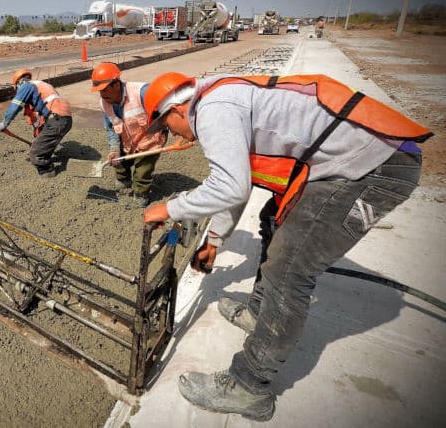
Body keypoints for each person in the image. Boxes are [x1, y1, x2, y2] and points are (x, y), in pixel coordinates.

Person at [141, 72, 431, 421]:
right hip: (347, 163)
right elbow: (239, 183)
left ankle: (250, 386)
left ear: (175, 109)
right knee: (274, 218)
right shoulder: (221, 100)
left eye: (167, 125)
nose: (172, 134)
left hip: (375, 166)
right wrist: (214, 241)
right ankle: (258, 311)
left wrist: (170, 208)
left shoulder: (214, 108)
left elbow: (230, 187)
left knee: (288, 270)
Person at [91, 62, 167, 208]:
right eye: (99, 91)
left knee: (143, 169)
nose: (102, 94)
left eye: (104, 90)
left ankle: (140, 192)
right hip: (127, 138)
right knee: (118, 159)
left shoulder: (141, 92)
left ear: (116, 84)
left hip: (150, 140)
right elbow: (112, 128)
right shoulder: (104, 103)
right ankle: (123, 180)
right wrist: (113, 149)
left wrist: (163, 130)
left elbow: (166, 112)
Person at [0, 69, 73, 177]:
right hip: (64, 119)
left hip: (57, 119)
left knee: (35, 154)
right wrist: (37, 139)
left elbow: (16, 105)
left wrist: (5, 123)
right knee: (42, 146)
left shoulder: (26, 86)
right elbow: (41, 119)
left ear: (19, 83)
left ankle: (48, 172)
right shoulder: (41, 86)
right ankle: (46, 160)